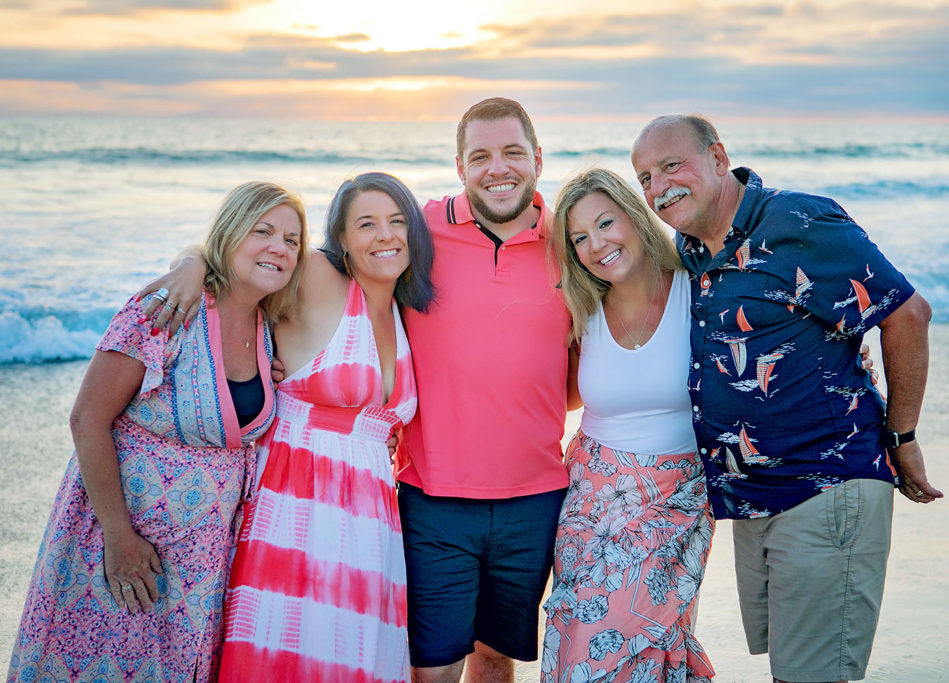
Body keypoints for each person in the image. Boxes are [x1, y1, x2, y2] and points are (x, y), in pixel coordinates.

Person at [630, 114, 942, 683]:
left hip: (826, 487)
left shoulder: (800, 221)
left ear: (718, 157)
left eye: (672, 165)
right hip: (755, 502)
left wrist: (904, 435)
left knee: (813, 675)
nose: (658, 186)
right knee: (794, 671)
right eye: (645, 177)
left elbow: (906, 313)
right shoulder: (693, 249)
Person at [7, 181, 308, 683]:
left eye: (293, 239)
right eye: (263, 231)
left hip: (204, 560)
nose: (280, 246)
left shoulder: (269, 326)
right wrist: (119, 538)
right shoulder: (167, 310)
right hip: (121, 539)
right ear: (230, 234)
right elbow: (87, 420)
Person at [142, 172, 436, 681]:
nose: (385, 235)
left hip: (372, 526)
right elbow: (243, 255)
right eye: (366, 224)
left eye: (396, 221)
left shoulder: (407, 309)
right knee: (291, 655)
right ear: (340, 239)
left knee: (358, 660)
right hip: (298, 510)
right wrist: (191, 264)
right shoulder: (321, 276)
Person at [393, 97, 573, 682]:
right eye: (481, 156)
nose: (499, 168)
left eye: (513, 152)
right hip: (433, 494)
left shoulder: (573, 241)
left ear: (538, 159)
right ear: (460, 166)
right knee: (434, 667)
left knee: (496, 659)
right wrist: (196, 264)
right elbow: (321, 266)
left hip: (536, 496)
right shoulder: (417, 230)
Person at [542, 168, 715, 682]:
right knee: (579, 639)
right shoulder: (581, 307)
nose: (596, 244)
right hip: (590, 501)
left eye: (605, 223)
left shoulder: (701, 291)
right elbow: (552, 389)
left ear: (636, 217)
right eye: (579, 238)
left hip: (677, 499)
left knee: (649, 643)